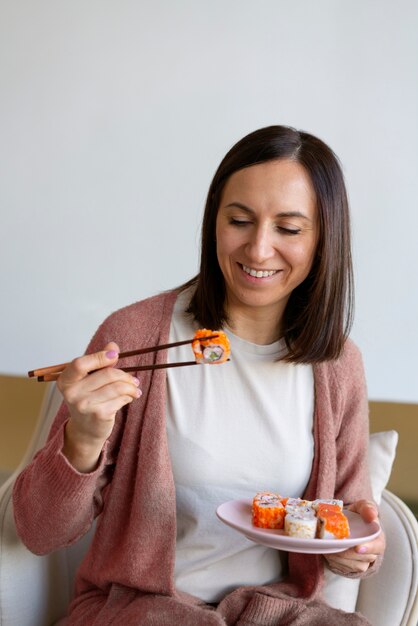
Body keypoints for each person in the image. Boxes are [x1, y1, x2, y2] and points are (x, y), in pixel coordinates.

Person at [13, 125, 385, 625]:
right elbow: (38, 532)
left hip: (277, 615)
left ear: (323, 241)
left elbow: (343, 526)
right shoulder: (136, 335)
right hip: (142, 611)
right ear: (214, 221)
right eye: (239, 220)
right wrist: (81, 441)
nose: (257, 250)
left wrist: (354, 553)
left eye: (289, 230)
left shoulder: (338, 365)